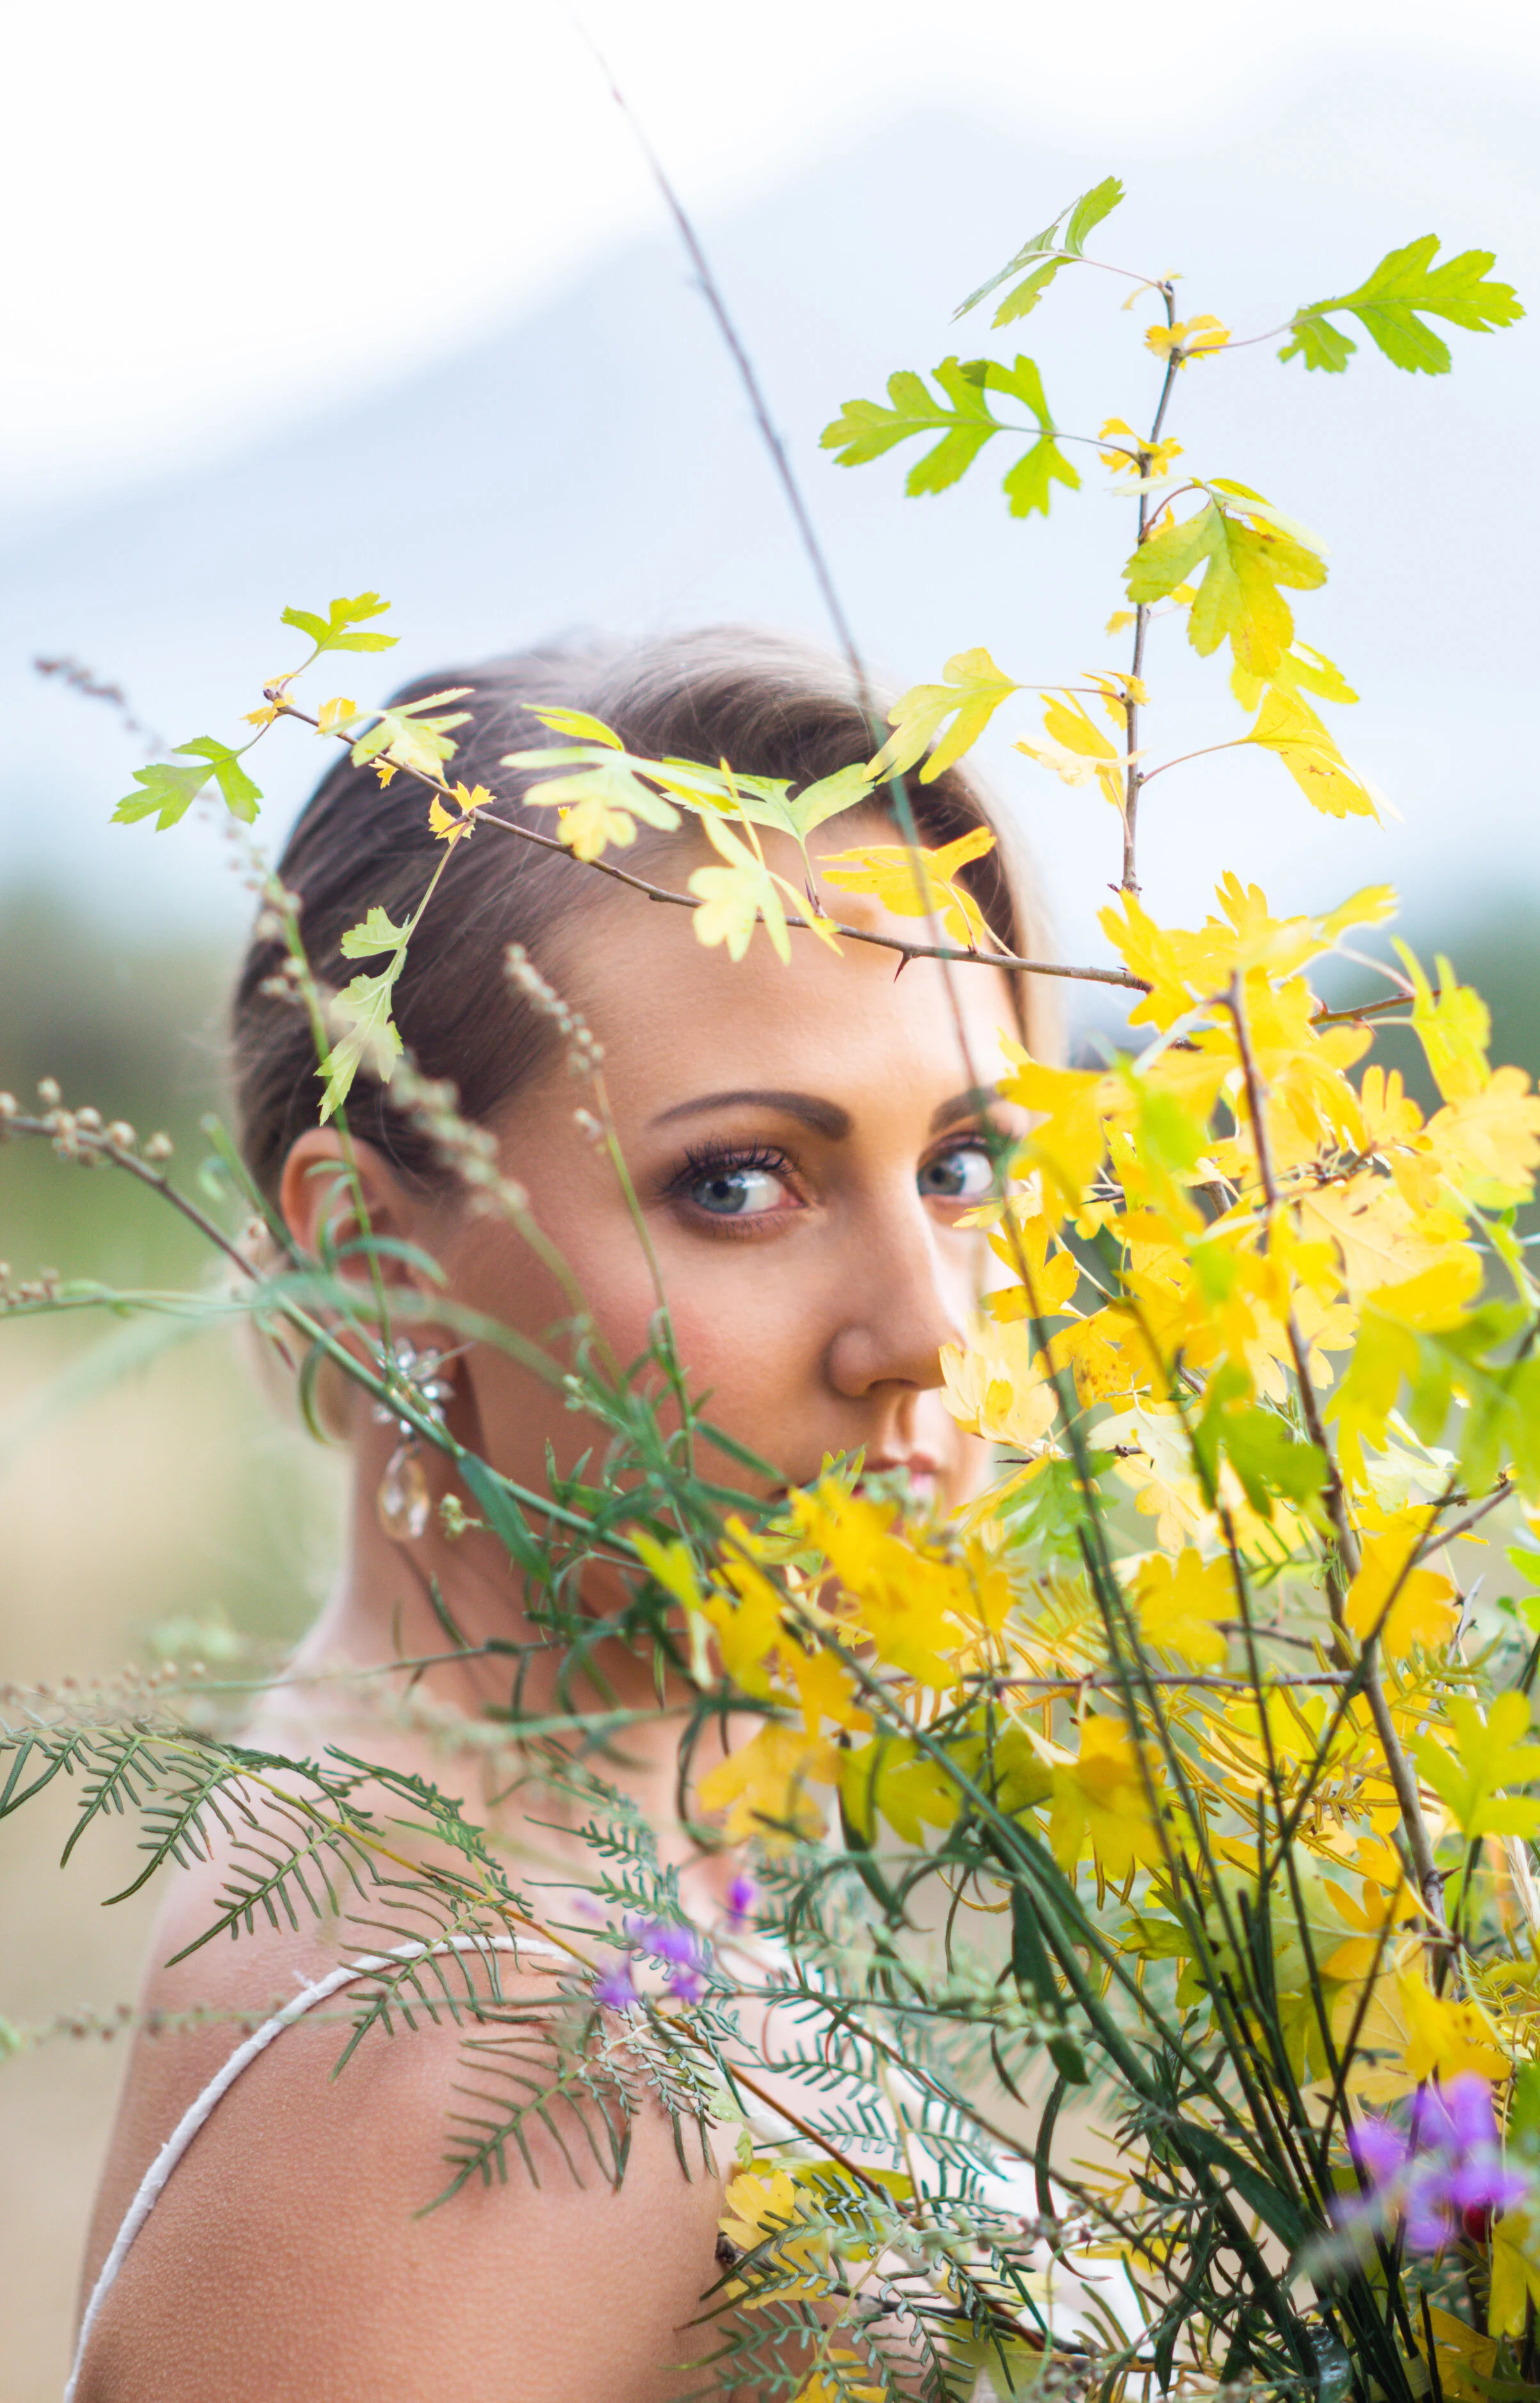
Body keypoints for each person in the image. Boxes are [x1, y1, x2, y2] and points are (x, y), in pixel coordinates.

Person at [72, 625, 1044, 2402]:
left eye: (961, 1166)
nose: (927, 1334)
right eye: (740, 1181)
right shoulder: (474, 2076)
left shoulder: (514, 1888)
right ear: (371, 1268)